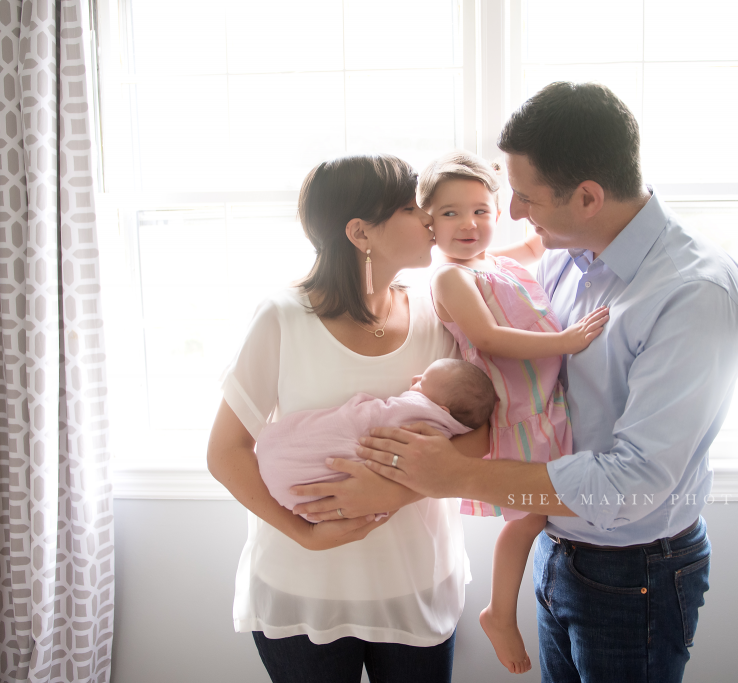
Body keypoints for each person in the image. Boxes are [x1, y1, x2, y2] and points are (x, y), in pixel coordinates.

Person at [351, 82, 738, 683]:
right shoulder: (569, 255)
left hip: (632, 572)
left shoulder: (693, 295)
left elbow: (634, 482)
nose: (511, 213)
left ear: (588, 197)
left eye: (524, 198)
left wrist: (457, 474)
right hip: (556, 545)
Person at [207, 154, 490, 683]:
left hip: (415, 582)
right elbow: (225, 453)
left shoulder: (439, 313)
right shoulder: (282, 317)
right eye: (411, 207)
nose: (431, 217)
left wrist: (398, 492)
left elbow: (482, 436)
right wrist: (305, 534)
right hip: (303, 587)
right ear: (361, 231)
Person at [417, 151, 608, 674]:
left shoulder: (498, 262)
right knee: (530, 519)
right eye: (451, 213)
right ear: (428, 222)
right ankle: (500, 613)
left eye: (481, 210)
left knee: (544, 515)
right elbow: (488, 337)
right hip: (518, 407)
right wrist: (565, 342)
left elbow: (539, 239)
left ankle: (509, 609)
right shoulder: (452, 278)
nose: (469, 224)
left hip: (547, 403)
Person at [255, 359, 495, 520]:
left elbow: (381, 414)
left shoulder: (423, 415)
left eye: (422, 383)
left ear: (442, 410)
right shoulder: (451, 427)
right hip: (300, 514)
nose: (414, 379)